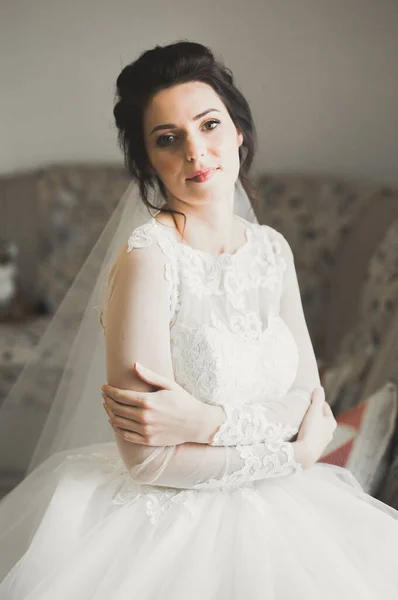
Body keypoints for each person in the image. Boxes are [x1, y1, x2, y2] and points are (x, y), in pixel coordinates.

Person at [0, 40, 398, 599]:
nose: (195, 151)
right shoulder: (148, 259)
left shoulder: (272, 250)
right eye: (168, 139)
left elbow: (310, 399)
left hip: (288, 512)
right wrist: (292, 454)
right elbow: (147, 461)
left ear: (239, 131)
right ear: (147, 162)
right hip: (164, 526)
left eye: (209, 125)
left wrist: (205, 422)